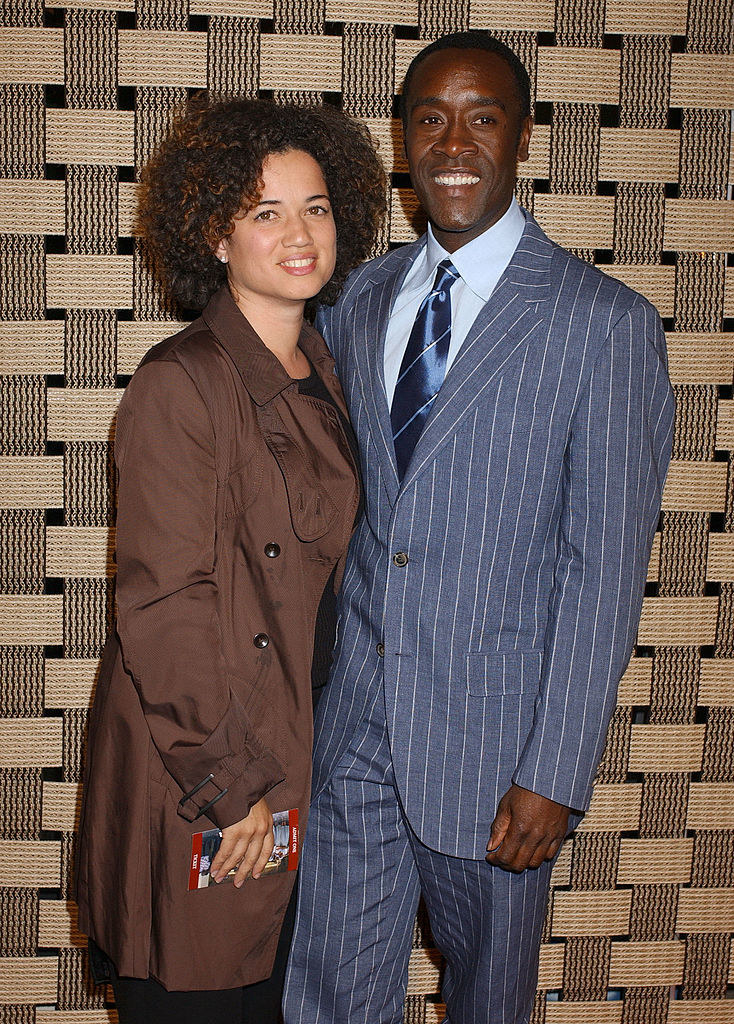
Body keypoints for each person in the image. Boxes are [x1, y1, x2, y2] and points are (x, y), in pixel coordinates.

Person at [284, 31, 675, 1024]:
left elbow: (602, 572)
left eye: (482, 118)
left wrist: (553, 773)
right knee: (325, 996)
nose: (454, 142)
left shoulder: (602, 325)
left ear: (521, 135)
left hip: (498, 759)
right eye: (430, 119)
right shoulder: (357, 301)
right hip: (354, 735)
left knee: (488, 1005)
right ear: (403, 144)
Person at [74, 95, 385, 1024]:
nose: (300, 233)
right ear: (214, 234)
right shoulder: (182, 383)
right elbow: (165, 603)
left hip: (284, 755)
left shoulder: (322, 368)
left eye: (317, 207)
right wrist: (231, 783)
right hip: (205, 772)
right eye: (266, 211)